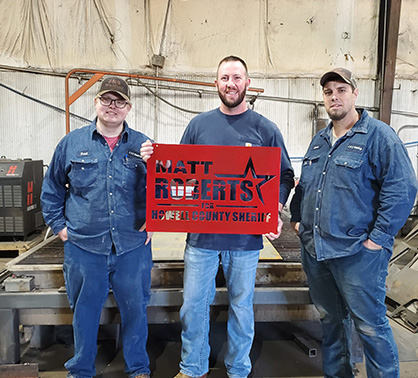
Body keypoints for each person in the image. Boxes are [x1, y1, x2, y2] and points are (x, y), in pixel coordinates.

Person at [141, 55, 294, 378]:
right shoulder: (199, 126)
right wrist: (156, 161)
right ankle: (192, 367)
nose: (231, 84)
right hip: (201, 236)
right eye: (225, 78)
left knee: (241, 307)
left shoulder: (266, 128)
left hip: (246, 239)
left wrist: (274, 209)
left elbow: (283, 175)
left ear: (247, 84)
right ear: (216, 84)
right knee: (194, 306)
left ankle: (238, 368)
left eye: (237, 78)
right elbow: (179, 173)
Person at [290, 68, 417, 378]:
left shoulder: (378, 136)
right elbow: (306, 186)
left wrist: (378, 238)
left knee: (371, 327)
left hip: (358, 255)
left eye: (341, 90)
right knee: (331, 323)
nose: (335, 96)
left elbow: (402, 188)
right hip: (317, 251)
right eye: (329, 92)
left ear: (355, 94)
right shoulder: (319, 141)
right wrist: (296, 220)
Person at [41, 77, 153, 378]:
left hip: (132, 245)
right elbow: (51, 189)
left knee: (136, 311)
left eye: (119, 101)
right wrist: (60, 227)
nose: (112, 106)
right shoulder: (72, 143)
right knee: (84, 313)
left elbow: (161, 188)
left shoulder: (144, 145)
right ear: (96, 103)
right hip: (84, 246)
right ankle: (81, 370)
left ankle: (138, 368)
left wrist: (154, 218)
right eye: (107, 100)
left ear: (128, 107)